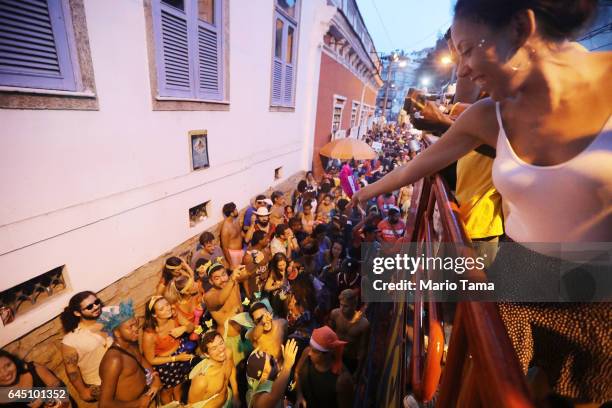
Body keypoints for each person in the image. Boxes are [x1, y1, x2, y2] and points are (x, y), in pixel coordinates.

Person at [352, 0, 611, 403]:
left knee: (580, 397)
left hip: (599, 293)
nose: (461, 70)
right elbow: (414, 168)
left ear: (521, 29)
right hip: (520, 273)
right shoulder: (486, 116)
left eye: (469, 49)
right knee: (489, 382)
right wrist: (363, 193)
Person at [98, 300, 162, 408]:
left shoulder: (131, 344)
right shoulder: (114, 360)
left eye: (135, 324)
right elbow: (104, 404)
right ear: (117, 333)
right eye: (130, 327)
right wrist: (139, 403)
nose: (136, 329)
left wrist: (155, 378)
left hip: (146, 398)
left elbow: (141, 360)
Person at [60, 291, 113, 403]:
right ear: (77, 313)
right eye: (89, 306)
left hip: (126, 374)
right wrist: (83, 391)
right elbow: (72, 370)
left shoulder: (109, 320)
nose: (96, 307)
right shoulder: (70, 340)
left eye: (96, 302)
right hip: (101, 385)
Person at [142, 296, 194, 404]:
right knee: (167, 392)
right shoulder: (150, 334)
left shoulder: (174, 315)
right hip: (164, 364)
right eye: (162, 309)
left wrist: (184, 328)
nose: (168, 308)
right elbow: (151, 360)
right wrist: (175, 358)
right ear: (154, 314)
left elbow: (191, 326)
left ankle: (179, 405)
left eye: (167, 304)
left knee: (179, 387)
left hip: (180, 354)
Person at [203, 262, 253, 365]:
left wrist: (256, 261)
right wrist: (231, 279)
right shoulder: (209, 296)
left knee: (253, 363)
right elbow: (221, 299)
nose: (223, 280)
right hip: (229, 340)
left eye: (223, 274)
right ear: (211, 281)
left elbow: (248, 272)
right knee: (237, 371)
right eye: (217, 278)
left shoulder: (233, 282)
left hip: (245, 332)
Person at [295, 326, 354, 408]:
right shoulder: (307, 353)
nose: (309, 353)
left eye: (314, 351)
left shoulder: (342, 381)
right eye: (310, 347)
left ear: (327, 354)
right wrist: (299, 396)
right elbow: (297, 372)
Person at [0, 349, 76, 408]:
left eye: (8, 365)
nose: (5, 373)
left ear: (14, 361)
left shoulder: (33, 369)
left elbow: (59, 387)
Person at [187, 331, 240, 408]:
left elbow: (231, 370)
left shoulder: (228, 353)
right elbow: (191, 406)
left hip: (228, 399)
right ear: (206, 354)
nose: (221, 349)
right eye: (214, 348)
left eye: (221, 343)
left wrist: (235, 395)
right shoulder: (202, 380)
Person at [245, 338, 298, 408]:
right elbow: (274, 396)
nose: (275, 360)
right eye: (271, 362)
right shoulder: (258, 398)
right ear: (264, 375)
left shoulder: (260, 382)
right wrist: (287, 365)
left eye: (271, 357)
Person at [329, 290, 369, 376]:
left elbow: (363, 350)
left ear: (354, 306)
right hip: (335, 354)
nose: (342, 309)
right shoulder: (335, 314)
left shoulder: (363, 324)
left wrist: (358, 371)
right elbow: (330, 335)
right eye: (341, 305)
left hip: (350, 359)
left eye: (346, 306)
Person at [243, 230, 272, 297]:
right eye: (266, 238)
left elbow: (270, 263)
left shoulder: (267, 250)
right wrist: (247, 293)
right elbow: (245, 277)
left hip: (266, 286)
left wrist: (267, 272)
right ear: (260, 241)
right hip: (253, 287)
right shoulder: (249, 257)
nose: (268, 240)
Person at [220, 202, 245, 269]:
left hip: (241, 251)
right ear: (231, 213)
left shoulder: (236, 221)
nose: (237, 210)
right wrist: (231, 263)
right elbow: (225, 248)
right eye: (235, 210)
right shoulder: (226, 228)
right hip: (233, 255)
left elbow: (240, 234)